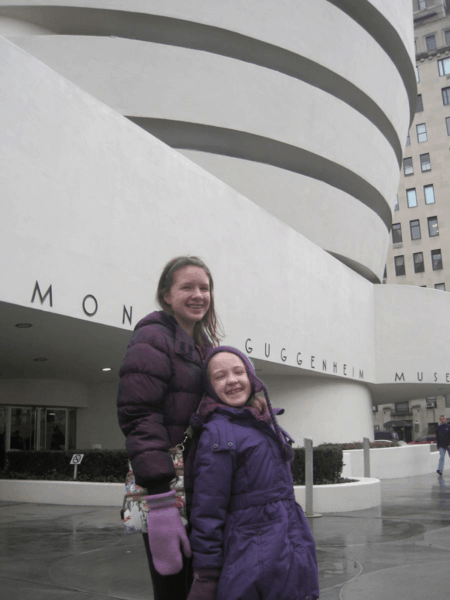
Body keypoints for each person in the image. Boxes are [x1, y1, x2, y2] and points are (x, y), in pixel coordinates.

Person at [117, 256, 222, 600]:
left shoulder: (203, 345)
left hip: (201, 485)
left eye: (204, 288)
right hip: (168, 490)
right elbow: (139, 415)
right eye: (187, 287)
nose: (198, 295)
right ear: (166, 296)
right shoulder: (152, 337)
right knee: (173, 585)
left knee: (201, 583)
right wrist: (161, 499)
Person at [187, 346, 319, 600]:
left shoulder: (261, 420)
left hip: (289, 539)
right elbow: (207, 510)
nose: (233, 380)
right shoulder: (219, 433)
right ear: (209, 387)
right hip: (251, 551)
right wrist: (207, 572)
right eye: (220, 376)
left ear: (251, 377)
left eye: (239, 371)